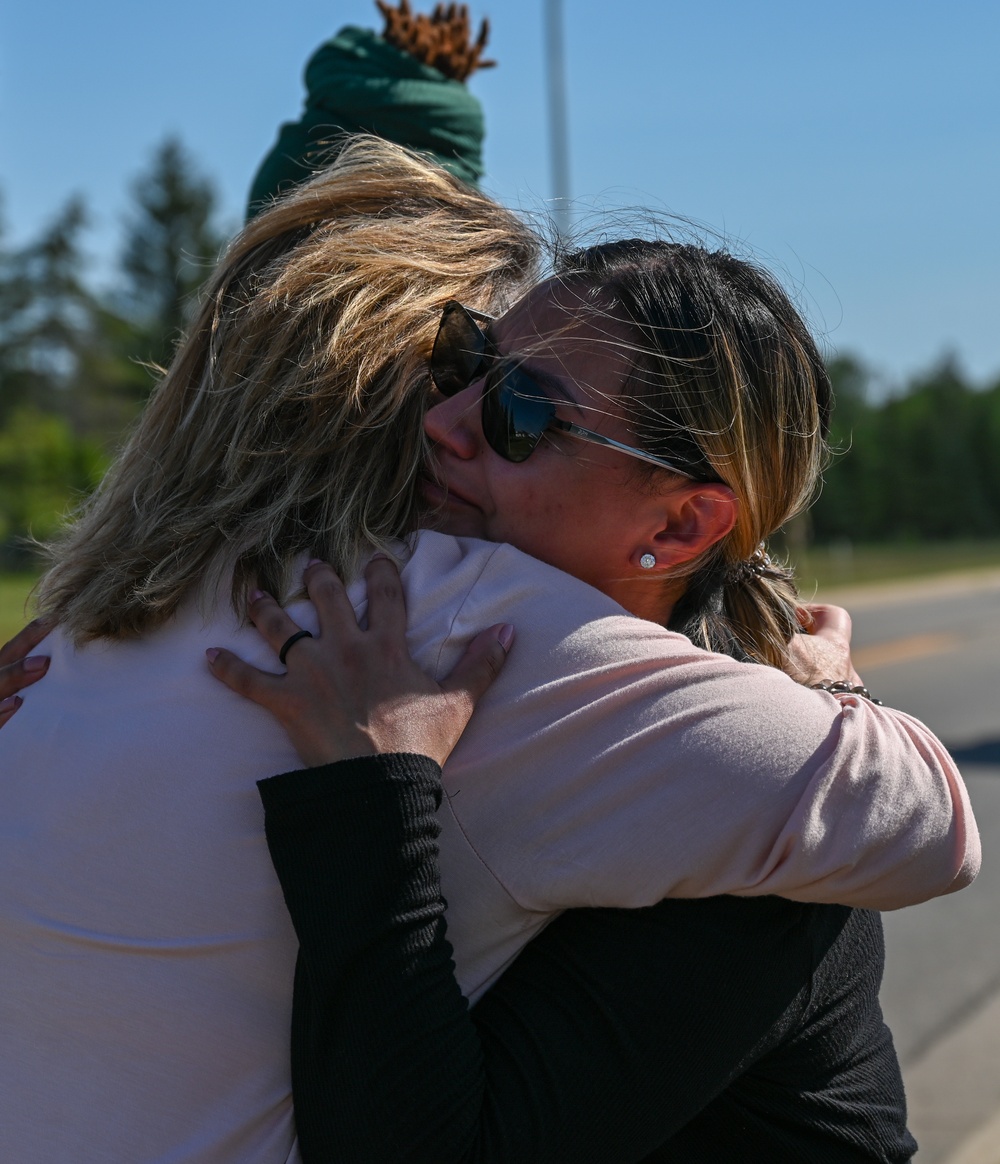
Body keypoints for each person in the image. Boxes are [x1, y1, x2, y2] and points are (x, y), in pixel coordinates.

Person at [0, 142, 976, 1161]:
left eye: (522, 413)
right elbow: (920, 816)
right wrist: (833, 694)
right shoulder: (419, 610)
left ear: (680, 529)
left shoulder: (137, 618)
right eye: (463, 366)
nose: (447, 422)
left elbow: (927, 817)